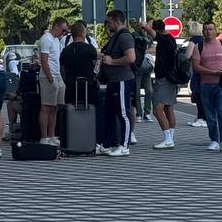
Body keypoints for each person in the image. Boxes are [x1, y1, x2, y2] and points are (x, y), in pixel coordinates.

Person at [96, 10, 136, 157]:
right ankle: (108, 144)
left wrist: (111, 61)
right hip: (113, 81)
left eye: (110, 22)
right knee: (110, 113)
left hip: (121, 80)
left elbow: (131, 58)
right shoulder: (116, 37)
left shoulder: (124, 37)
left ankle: (124, 146)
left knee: (123, 113)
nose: (108, 24)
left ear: (117, 22)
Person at [190, 22, 222, 152]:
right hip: (205, 85)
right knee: (210, 115)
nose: (208, 32)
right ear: (203, 32)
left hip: (221, 85)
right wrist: (211, 72)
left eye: (211, 29)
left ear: (216, 30)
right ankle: (214, 140)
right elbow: (195, 66)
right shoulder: (199, 46)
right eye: (206, 29)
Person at [37, 17, 68, 147]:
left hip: (57, 75)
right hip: (48, 76)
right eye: (63, 30)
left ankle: (51, 134)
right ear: (56, 26)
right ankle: (44, 136)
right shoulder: (46, 39)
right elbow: (44, 60)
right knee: (46, 107)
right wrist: (49, 77)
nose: (64, 33)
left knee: (55, 107)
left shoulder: (56, 40)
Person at [150, 19, 180, 149]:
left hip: (163, 78)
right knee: (168, 108)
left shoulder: (162, 39)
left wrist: (149, 23)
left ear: (156, 30)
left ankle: (168, 139)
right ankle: (170, 138)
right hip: (171, 78)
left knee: (157, 109)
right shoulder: (171, 39)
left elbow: (147, 28)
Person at [60, 21, 98, 96]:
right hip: (88, 85)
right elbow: (96, 65)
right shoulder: (90, 48)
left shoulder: (65, 50)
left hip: (70, 86)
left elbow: (62, 67)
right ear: (83, 34)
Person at [133, 22, 155, 122]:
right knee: (137, 91)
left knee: (149, 90)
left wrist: (144, 51)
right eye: (142, 27)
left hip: (146, 66)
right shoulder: (135, 36)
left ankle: (147, 112)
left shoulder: (149, 37)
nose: (144, 29)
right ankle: (139, 113)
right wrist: (146, 51)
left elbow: (153, 49)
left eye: (145, 27)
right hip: (137, 66)